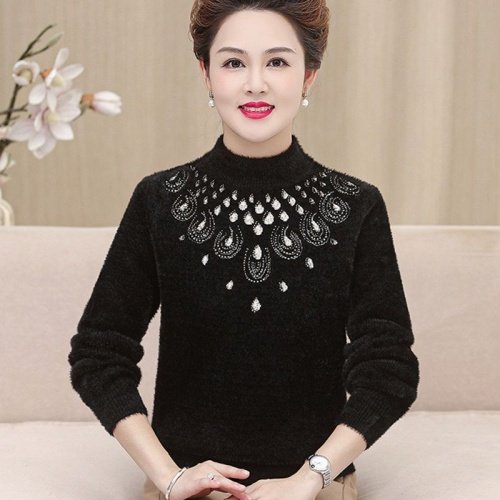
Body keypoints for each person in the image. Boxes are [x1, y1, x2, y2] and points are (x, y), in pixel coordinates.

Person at [68, 1, 420, 499]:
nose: (256, 83)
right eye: (234, 62)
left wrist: (310, 478)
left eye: (277, 61)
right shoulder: (160, 200)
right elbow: (98, 353)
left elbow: (389, 368)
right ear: (206, 74)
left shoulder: (356, 206)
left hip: (311, 489)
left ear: (309, 75)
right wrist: (169, 476)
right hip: (186, 489)